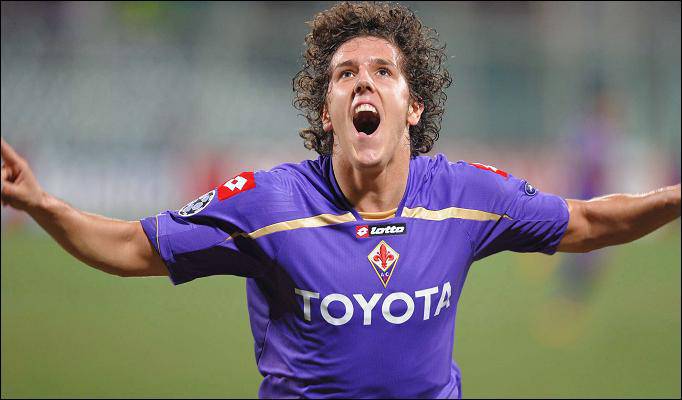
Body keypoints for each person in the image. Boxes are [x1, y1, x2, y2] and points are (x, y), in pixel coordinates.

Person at [1, 2, 680, 398]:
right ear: (327, 112)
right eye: (345, 74)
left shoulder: (465, 195)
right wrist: (39, 203)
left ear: (412, 106)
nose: (363, 83)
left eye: (383, 71)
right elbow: (131, 248)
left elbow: (588, 221)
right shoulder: (266, 204)